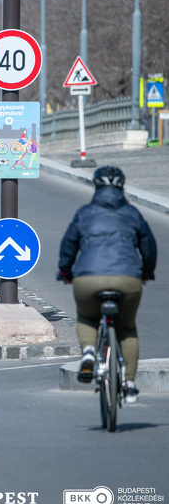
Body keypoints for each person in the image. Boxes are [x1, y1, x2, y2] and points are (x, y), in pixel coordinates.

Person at [57, 166, 157, 403]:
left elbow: (68, 245)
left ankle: (89, 352)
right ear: (122, 186)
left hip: (87, 278)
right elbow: (149, 247)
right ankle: (130, 384)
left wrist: (65, 271)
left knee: (87, 317)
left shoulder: (84, 213)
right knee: (127, 328)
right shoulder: (133, 213)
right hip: (128, 278)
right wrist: (146, 272)